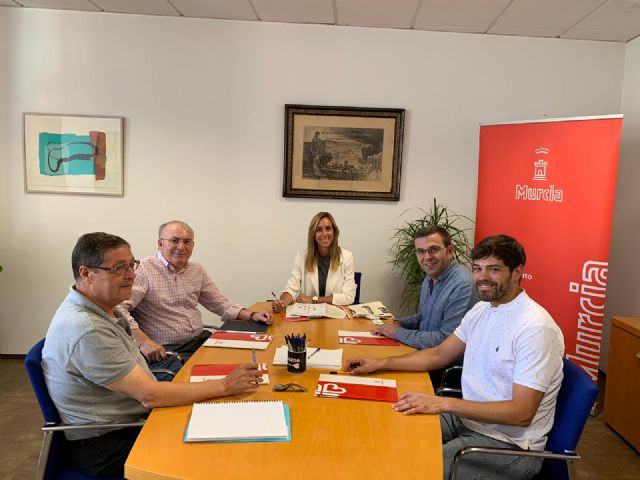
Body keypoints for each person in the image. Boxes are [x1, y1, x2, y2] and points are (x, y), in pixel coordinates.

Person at [42, 232, 262, 477]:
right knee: (223, 456)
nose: (131, 275)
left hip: (134, 417)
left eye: (131, 265)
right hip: (110, 441)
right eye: (118, 268)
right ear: (86, 273)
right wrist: (225, 385)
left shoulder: (103, 308)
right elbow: (150, 395)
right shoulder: (87, 329)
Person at [345, 235, 565, 480]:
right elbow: (438, 354)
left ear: (516, 272)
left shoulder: (535, 328)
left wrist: (443, 403)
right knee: (381, 430)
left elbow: (520, 413)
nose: (482, 277)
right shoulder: (482, 309)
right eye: (477, 269)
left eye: (493, 269)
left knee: (406, 468)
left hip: (508, 445)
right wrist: (380, 363)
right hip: (468, 420)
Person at [116, 221, 272, 374]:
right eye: (174, 241)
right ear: (160, 244)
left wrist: (252, 314)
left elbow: (219, 303)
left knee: (247, 363)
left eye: (187, 242)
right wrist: (143, 341)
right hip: (168, 351)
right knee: (215, 381)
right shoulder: (143, 269)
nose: (181, 247)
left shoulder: (196, 270)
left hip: (199, 342)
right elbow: (118, 308)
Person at [374, 226, 478, 350]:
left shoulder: (463, 285)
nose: (427, 257)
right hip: (426, 352)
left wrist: (397, 333)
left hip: (444, 360)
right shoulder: (430, 277)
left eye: (434, 249)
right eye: (421, 251)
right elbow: (424, 317)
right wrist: (397, 323)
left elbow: (447, 341)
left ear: (449, 251)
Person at [273, 212, 356, 311]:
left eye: (328, 228)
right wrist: (282, 302)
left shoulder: (347, 257)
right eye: (319, 230)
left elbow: (348, 297)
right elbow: (291, 288)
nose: (324, 234)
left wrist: (313, 299)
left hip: (335, 314)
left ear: (334, 232)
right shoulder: (302, 256)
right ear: (313, 234)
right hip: (309, 314)